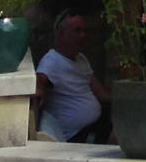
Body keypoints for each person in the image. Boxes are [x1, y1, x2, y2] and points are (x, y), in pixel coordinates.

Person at [35, 13, 110, 143]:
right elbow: (39, 82)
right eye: (77, 31)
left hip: (96, 123)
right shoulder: (51, 61)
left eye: (84, 31)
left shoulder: (81, 59)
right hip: (77, 135)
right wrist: (38, 88)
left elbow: (101, 94)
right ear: (61, 34)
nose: (83, 35)